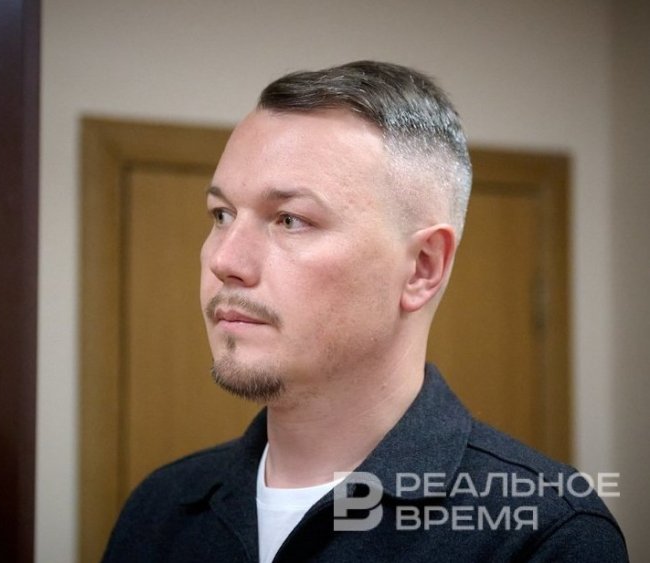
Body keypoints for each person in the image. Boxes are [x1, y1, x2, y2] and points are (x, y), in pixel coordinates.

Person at [102, 61, 628, 562]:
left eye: (289, 220)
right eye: (222, 214)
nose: (224, 261)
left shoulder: (543, 535)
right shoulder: (159, 509)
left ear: (421, 267)